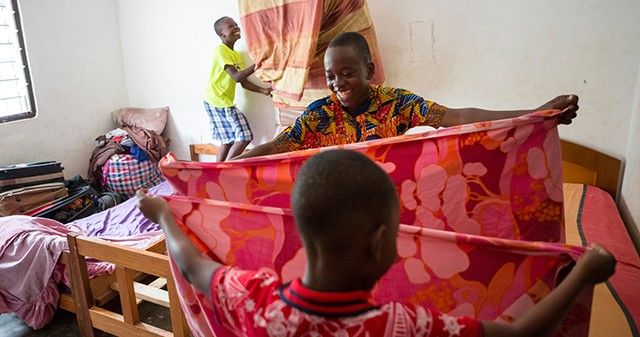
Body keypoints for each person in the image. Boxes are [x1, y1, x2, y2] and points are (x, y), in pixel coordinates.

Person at [137, 149, 616, 337]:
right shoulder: (403, 327)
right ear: (384, 241)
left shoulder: (254, 300)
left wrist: (162, 213)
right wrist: (584, 276)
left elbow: (195, 265)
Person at [233, 32, 579, 159]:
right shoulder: (319, 114)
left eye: (348, 73)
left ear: (369, 70)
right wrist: (228, 165)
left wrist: (535, 113)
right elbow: (278, 147)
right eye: (331, 76)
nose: (338, 83)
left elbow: (457, 118)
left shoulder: (397, 103)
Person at [204, 16, 272, 161]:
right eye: (230, 26)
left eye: (235, 24)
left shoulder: (236, 56)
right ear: (222, 35)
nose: (235, 27)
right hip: (218, 101)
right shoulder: (220, 50)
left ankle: (217, 173)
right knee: (245, 136)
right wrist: (258, 64)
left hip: (218, 100)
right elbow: (236, 77)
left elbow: (244, 82)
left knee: (228, 141)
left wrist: (263, 91)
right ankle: (226, 168)